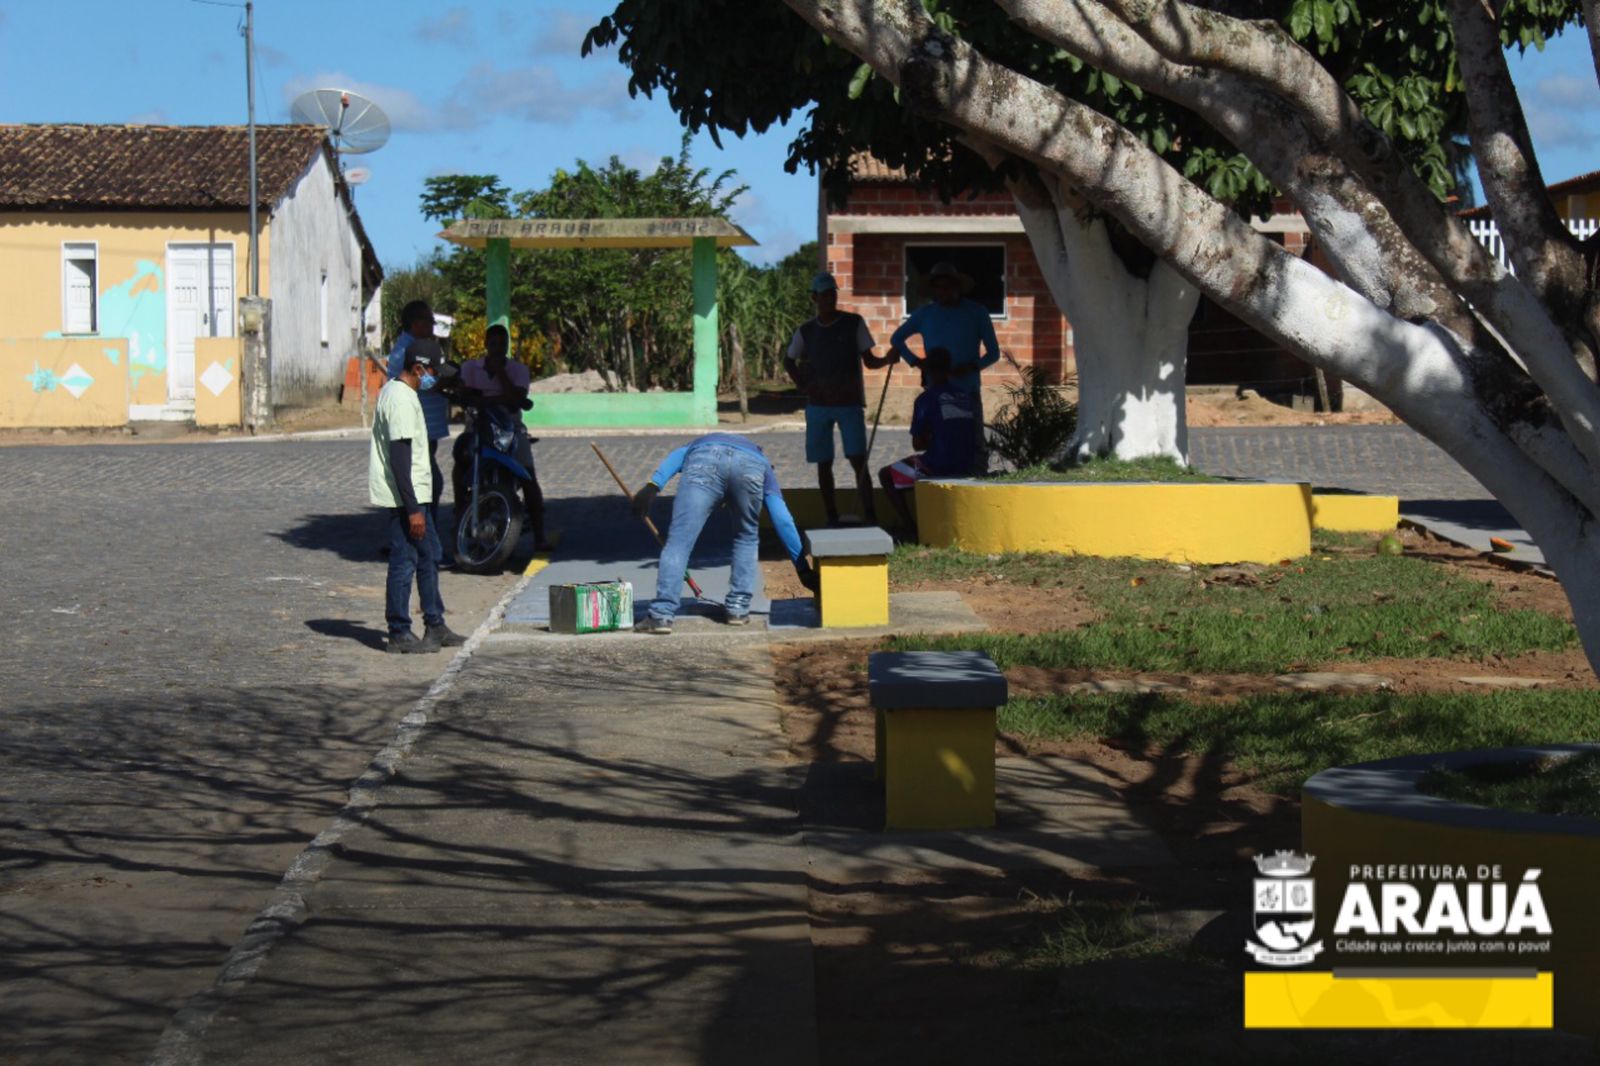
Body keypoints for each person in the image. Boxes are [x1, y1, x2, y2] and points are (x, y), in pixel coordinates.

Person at [631, 433, 817, 634]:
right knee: (746, 537)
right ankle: (738, 609)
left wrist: (653, 486)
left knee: (679, 541)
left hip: (703, 460)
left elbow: (678, 455)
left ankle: (661, 615)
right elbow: (783, 519)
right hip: (750, 467)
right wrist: (802, 569)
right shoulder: (762, 463)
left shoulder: (698, 444)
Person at [369, 342, 466, 654]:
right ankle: (398, 630)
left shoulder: (406, 394)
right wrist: (412, 510)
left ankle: (435, 624)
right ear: (419, 368)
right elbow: (400, 459)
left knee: (430, 554)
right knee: (404, 560)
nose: (436, 379)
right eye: (434, 372)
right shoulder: (399, 399)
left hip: (416, 496)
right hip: (405, 499)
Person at [784, 272, 894, 526]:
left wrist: (888, 359)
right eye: (824, 295)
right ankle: (831, 516)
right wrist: (802, 384)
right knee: (823, 462)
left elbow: (870, 361)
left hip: (849, 403)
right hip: (818, 405)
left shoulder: (854, 323)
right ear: (814, 298)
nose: (829, 299)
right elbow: (788, 360)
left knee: (858, 460)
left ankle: (870, 515)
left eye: (832, 294)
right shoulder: (806, 331)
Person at [889, 261, 1001, 472]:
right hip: (935, 390)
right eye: (939, 287)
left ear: (958, 286)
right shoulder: (925, 313)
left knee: (974, 441)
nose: (944, 291)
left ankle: (977, 479)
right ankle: (938, 481)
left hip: (967, 389)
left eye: (948, 286)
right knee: (936, 440)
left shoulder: (977, 312)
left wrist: (971, 367)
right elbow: (896, 339)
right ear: (933, 289)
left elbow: (994, 353)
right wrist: (917, 362)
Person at [454, 324, 550, 551]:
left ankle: (539, 535)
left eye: (502, 344)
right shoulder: (470, 368)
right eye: (493, 344)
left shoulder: (518, 370)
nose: (498, 349)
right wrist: (497, 400)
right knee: (460, 468)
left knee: (528, 475)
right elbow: (465, 397)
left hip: (510, 429)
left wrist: (500, 374)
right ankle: (459, 520)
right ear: (486, 344)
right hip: (478, 427)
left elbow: (516, 400)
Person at [879, 347, 978, 537]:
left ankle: (910, 527)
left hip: (937, 465)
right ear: (949, 369)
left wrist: (929, 437)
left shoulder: (925, 400)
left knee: (886, 475)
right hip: (967, 463)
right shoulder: (964, 396)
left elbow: (917, 444)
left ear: (928, 371)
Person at [388, 300, 453, 559]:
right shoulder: (406, 351)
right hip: (415, 428)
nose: (433, 326)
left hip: (428, 429)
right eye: (429, 321)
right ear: (416, 324)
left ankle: (423, 539)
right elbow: (423, 381)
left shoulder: (420, 348)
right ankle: (422, 541)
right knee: (426, 484)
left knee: (431, 483)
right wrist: (446, 380)